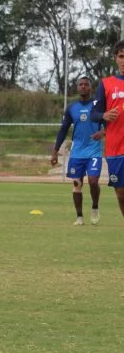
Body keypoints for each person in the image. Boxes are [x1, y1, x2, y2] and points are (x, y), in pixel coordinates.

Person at [50, 76, 104, 225]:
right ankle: (79, 217)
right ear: (77, 87)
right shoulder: (72, 108)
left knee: (93, 181)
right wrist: (55, 151)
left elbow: (110, 123)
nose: (83, 87)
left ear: (90, 88)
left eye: (86, 84)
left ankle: (95, 207)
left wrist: (103, 133)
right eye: (80, 84)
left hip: (94, 151)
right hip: (77, 152)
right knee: (76, 184)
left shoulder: (98, 105)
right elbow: (63, 130)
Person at [92, 40, 124, 219]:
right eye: (121, 56)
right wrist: (104, 116)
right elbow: (94, 114)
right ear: (115, 59)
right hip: (115, 149)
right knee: (121, 194)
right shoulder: (106, 84)